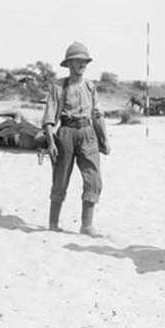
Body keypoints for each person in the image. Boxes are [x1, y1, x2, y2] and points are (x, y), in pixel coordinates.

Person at [43, 42, 110, 235]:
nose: (82, 64)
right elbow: (49, 116)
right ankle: (53, 224)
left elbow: (98, 115)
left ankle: (86, 226)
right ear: (69, 64)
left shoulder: (90, 86)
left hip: (88, 133)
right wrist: (50, 141)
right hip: (65, 133)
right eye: (77, 61)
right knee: (60, 177)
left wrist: (104, 140)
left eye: (84, 61)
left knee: (94, 179)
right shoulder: (59, 86)